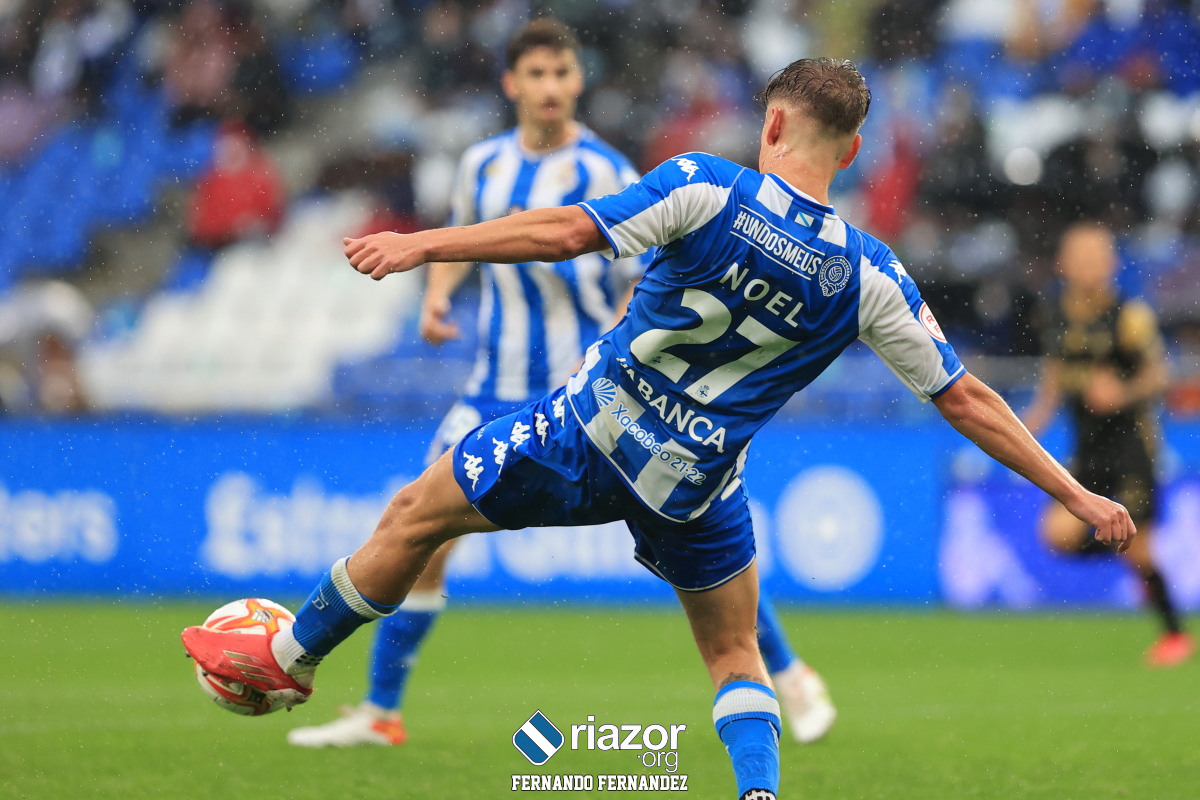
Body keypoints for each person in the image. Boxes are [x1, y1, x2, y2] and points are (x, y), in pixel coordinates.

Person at [184, 58, 1135, 800]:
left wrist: (423, 244)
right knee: (734, 656)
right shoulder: (870, 274)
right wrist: (1078, 493)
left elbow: (564, 233)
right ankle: (757, 793)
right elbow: (965, 398)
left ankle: (290, 659)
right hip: (694, 486)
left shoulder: (706, 186)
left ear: (772, 125)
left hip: (582, 434)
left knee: (413, 517)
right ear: (851, 153)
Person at [284, 18, 835, 751]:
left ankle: (787, 670)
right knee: (420, 529)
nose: (550, 87)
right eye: (536, 74)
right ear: (511, 84)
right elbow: (462, 235)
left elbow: (647, 276)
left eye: (562, 73)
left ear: (578, 81)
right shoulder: (481, 164)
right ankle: (381, 712)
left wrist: (615, 345)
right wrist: (437, 298)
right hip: (494, 385)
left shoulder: (604, 169)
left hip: (592, 399)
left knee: (697, 548)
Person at [1024, 221, 1193, 667]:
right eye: (1080, 258)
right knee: (1056, 535)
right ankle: (1122, 541)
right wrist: (1033, 420)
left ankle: (1175, 636)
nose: (1089, 267)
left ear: (1113, 264)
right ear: (1062, 263)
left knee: (1141, 550)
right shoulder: (1055, 314)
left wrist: (1122, 392)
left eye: (1097, 258)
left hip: (1131, 448)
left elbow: (1160, 375)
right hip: (1087, 449)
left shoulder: (1129, 316)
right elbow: (1055, 374)